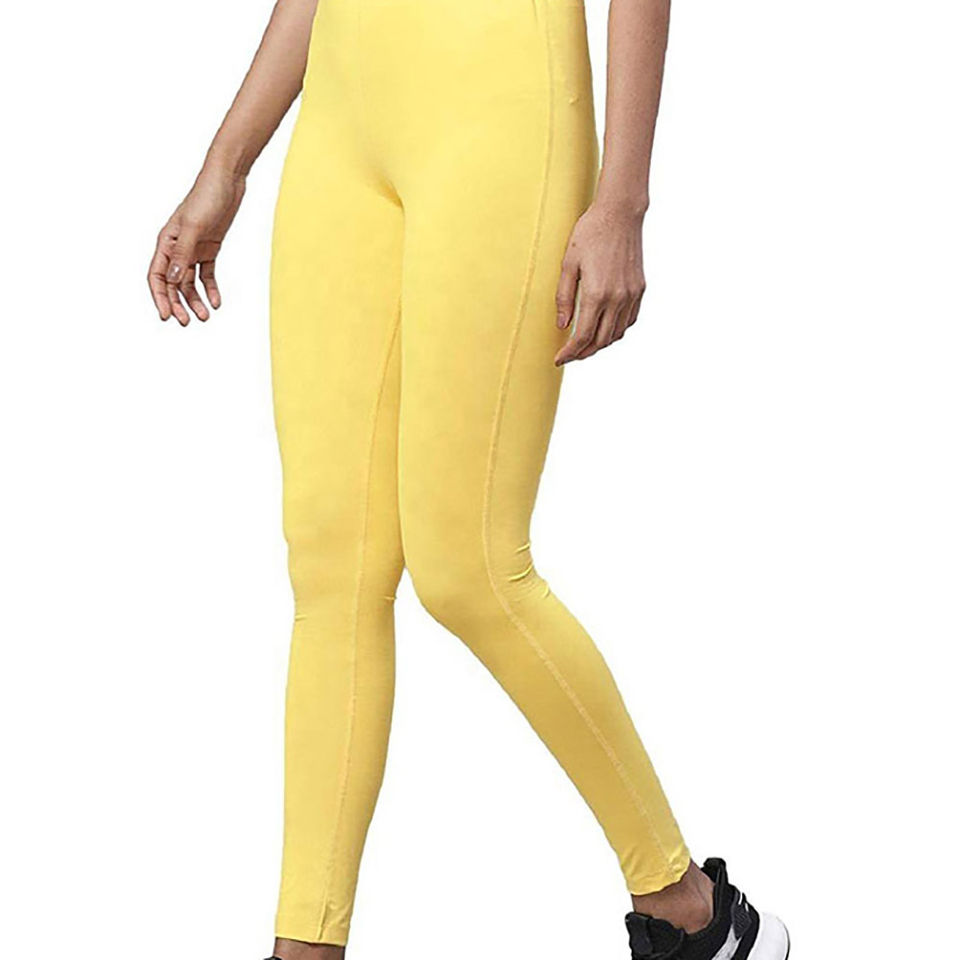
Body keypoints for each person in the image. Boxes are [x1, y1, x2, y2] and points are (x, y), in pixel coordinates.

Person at [147, 1, 789, 958]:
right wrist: (224, 165)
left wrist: (622, 201)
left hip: (501, 105)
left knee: (469, 569)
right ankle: (305, 946)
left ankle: (685, 905)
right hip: (341, 125)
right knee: (331, 567)